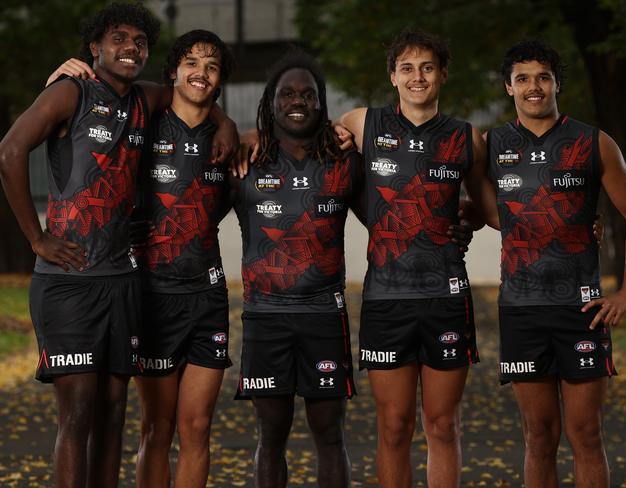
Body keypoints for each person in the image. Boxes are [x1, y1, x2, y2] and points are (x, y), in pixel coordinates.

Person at [0, 3, 236, 487]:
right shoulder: (70, 92)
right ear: (94, 47)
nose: (130, 48)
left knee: (113, 417)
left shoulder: (145, 100)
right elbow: (9, 150)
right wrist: (36, 238)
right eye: (118, 38)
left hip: (122, 282)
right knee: (78, 415)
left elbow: (194, 93)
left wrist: (227, 125)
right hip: (68, 283)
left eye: (139, 42)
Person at [484, 40, 626, 487]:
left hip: (582, 311)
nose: (533, 87)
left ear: (557, 83)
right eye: (523, 78)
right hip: (521, 308)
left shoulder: (593, 141)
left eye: (543, 77)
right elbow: (464, 199)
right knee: (538, 436)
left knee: (586, 435)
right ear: (508, 87)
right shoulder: (492, 143)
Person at [336, 30, 488, 487]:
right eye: (407, 68)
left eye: (426, 67)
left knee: (442, 426)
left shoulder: (468, 138)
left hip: (446, 297)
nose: (417, 76)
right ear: (392, 76)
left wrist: (469, 217)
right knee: (394, 428)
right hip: (387, 298)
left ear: (442, 74)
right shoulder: (363, 123)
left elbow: (490, 210)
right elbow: (310, 139)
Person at [230, 51, 360, 488]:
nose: (297, 101)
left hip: (325, 315)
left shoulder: (343, 162)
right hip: (265, 317)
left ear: (322, 103)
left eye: (308, 93)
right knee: (271, 434)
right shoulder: (244, 160)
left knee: (329, 432)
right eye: (287, 93)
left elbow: (390, 213)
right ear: (271, 103)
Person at [133, 30, 235, 488]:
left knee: (197, 428)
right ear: (173, 70)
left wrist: (230, 125)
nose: (201, 73)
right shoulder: (144, 124)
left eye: (211, 67)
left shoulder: (226, 140)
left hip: (207, 297)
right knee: (157, 430)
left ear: (219, 81)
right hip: (153, 298)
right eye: (191, 63)